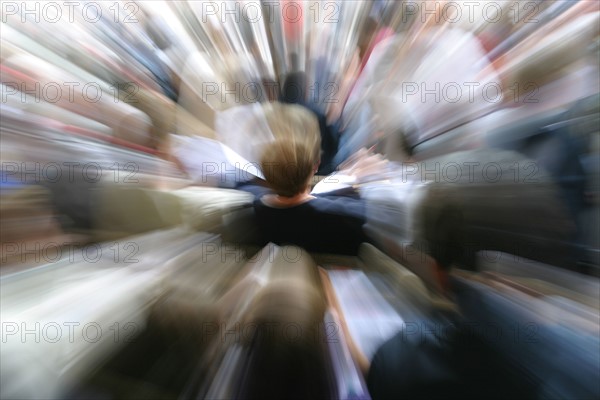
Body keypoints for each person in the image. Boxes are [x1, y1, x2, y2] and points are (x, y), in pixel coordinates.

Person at [237, 104, 378, 256]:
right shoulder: (349, 217)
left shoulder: (246, 212)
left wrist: (346, 176)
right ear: (316, 163)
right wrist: (353, 178)